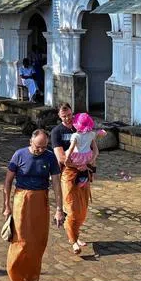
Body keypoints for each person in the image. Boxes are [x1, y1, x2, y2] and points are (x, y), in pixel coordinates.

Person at [3, 129, 64, 281]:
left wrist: (59, 209)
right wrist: (6, 204)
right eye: (38, 147)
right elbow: (7, 181)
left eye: (44, 147)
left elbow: (57, 184)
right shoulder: (19, 155)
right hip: (22, 198)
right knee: (21, 241)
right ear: (31, 141)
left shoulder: (50, 156)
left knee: (38, 242)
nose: (41, 150)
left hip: (41, 199)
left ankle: (31, 280)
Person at [50, 104, 92, 254]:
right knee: (72, 208)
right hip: (68, 172)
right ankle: (73, 240)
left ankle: (75, 233)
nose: (68, 118)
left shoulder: (80, 127)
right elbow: (60, 157)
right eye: (64, 116)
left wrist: (87, 163)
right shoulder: (56, 132)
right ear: (59, 116)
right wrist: (76, 164)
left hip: (84, 171)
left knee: (83, 208)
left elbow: (91, 147)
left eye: (69, 115)